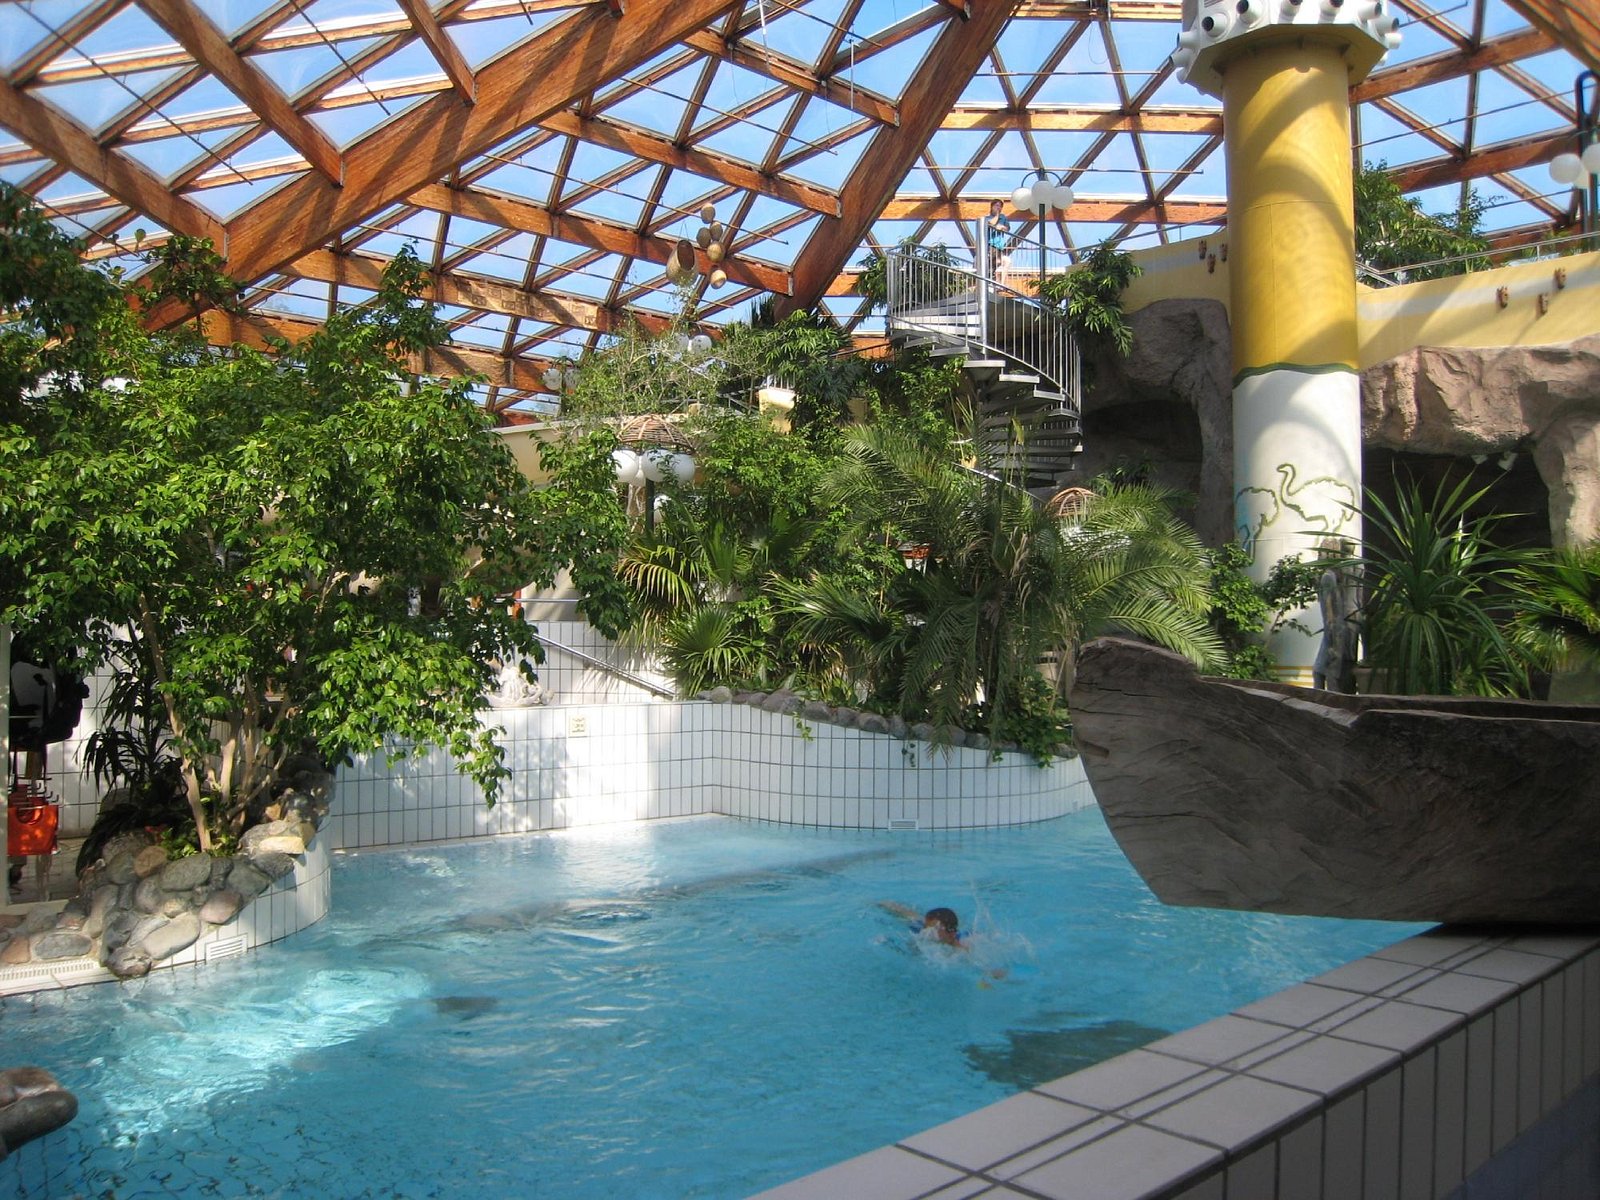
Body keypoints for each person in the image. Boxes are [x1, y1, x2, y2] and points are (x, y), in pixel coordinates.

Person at [1313, 537, 1360, 693]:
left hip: (1333, 626)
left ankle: (1324, 699)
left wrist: (1331, 627)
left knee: (1323, 669)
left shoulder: (1328, 576)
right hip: (1344, 622)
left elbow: (1330, 607)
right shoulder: (1347, 570)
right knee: (1336, 666)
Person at [879, 901, 964, 947]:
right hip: (916, 925)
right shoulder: (921, 930)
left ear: (951, 933)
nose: (927, 931)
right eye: (926, 927)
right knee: (911, 917)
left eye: (933, 929)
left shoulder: (959, 947)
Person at [985, 200, 1012, 272]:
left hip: (999, 244)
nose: (998, 208)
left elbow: (1008, 228)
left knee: (998, 262)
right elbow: (991, 223)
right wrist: (997, 215)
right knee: (992, 261)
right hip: (990, 243)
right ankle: (989, 275)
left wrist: (1003, 227)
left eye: (1000, 206)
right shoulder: (987, 218)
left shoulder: (1003, 217)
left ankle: (991, 275)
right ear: (992, 207)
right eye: (996, 205)